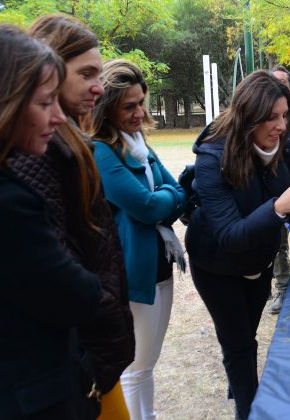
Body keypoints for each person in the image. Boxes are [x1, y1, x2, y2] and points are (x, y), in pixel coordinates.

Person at [0, 24, 102, 419]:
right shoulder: (3, 203)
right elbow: (77, 294)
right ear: (3, 104)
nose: (59, 117)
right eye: (46, 102)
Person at [184, 70, 290, 420]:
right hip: (216, 263)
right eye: (271, 117)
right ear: (248, 116)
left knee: (247, 333)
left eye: (284, 116)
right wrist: (279, 207)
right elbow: (230, 236)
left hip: (259, 259)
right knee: (238, 344)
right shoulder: (212, 155)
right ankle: (248, 410)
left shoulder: (288, 146)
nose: (281, 125)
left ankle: (240, 379)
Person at [25, 14, 136, 419]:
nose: (98, 86)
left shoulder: (69, 136)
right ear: (47, 71)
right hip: (80, 359)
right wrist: (89, 356)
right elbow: (56, 270)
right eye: (86, 73)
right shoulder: (41, 147)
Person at [89, 59, 187, 420]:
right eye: (128, 106)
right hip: (133, 270)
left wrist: (164, 198)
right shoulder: (102, 150)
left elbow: (176, 193)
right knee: (135, 366)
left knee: (148, 362)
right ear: (107, 106)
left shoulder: (137, 143)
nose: (138, 112)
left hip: (159, 262)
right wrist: (164, 198)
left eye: (141, 103)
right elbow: (147, 206)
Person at [266, 65, 290, 314]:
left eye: (282, 83)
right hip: (271, 196)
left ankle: (285, 287)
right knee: (276, 245)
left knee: (286, 244)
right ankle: (277, 286)